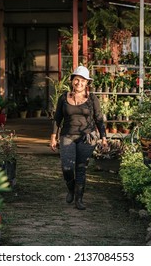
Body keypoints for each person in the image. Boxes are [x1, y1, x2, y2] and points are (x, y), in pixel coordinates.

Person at [50, 66, 107, 210]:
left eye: (82, 80)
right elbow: (57, 118)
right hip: (67, 136)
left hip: (86, 137)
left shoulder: (92, 98)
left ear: (87, 83)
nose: (79, 83)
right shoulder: (64, 97)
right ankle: (71, 188)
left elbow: (99, 119)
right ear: (72, 81)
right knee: (67, 167)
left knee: (81, 168)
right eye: (77, 80)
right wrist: (53, 137)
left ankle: (79, 199)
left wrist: (104, 137)